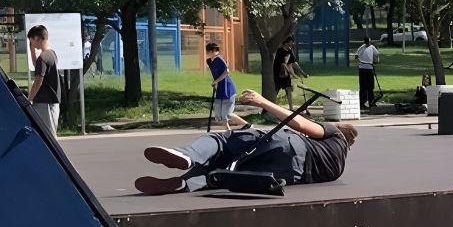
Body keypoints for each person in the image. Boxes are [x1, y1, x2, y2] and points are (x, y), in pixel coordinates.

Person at [134, 91, 357, 195]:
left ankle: (187, 155)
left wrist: (262, 101)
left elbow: (302, 126)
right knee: (230, 172)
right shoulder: (338, 168)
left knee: (223, 141)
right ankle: (186, 183)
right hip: (290, 174)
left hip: (291, 145)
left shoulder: (334, 133)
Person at [26, 24, 61, 138]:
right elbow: (37, 66)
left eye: (31, 40)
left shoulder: (43, 57)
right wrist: (32, 50)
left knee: (48, 136)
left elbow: (38, 81)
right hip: (51, 101)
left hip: (45, 102)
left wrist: (29, 99)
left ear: (36, 38)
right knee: (46, 134)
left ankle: (53, 156)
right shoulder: (51, 54)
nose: (31, 43)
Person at [204, 40, 245, 132]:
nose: (208, 53)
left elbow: (227, 71)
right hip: (220, 89)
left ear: (213, 50)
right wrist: (215, 83)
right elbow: (215, 74)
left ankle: (247, 125)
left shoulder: (219, 59)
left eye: (209, 51)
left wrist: (216, 81)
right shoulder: (210, 61)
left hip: (227, 89)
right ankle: (228, 131)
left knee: (227, 114)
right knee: (219, 115)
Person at [355, 33, 380, 110]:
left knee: (370, 86)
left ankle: (371, 102)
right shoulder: (361, 48)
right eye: (367, 42)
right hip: (363, 68)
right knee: (363, 86)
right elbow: (356, 56)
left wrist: (375, 61)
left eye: (369, 42)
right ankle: (362, 103)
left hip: (369, 68)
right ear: (365, 42)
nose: (368, 43)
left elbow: (377, 55)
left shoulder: (372, 47)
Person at [272, 40, 300, 105]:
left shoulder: (290, 51)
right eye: (291, 42)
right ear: (286, 43)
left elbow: (292, 63)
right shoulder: (280, 51)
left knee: (289, 89)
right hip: (278, 74)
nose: (292, 43)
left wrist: (301, 72)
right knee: (276, 90)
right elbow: (283, 65)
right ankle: (273, 105)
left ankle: (291, 107)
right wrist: (293, 74)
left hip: (286, 74)